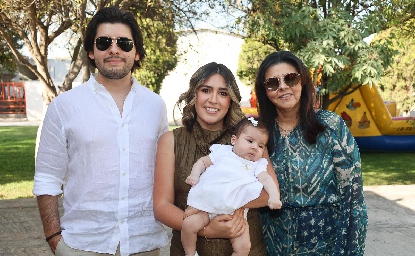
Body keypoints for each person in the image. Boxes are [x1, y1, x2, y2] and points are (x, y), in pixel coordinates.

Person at [33, 6, 168, 256]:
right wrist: (54, 238)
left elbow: (166, 173)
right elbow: (47, 179)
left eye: (124, 43)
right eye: (104, 42)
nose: (114, 49)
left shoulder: (156, 106)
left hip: (145, 243)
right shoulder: (64, 107)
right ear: (91, 52)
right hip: (82, 245)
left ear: (136, 53)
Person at [153, 62, 277, 256]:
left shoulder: (250, 141)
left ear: (231, 100)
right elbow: (161, 207)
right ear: (194, 94)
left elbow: (269, 194)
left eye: (222, 93)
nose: (213, 100)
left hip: (247, 247)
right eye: (206, 90)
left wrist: (223, 200)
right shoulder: (171, 141)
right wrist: (207, 229)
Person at [254, 51, 368, 255]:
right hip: (271, 247)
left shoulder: (330, 126)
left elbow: (353, 199)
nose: (283, 87)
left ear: (303, 81)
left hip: (326, 246)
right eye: (272, 83)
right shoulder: (256, 133)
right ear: (265, 91)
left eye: (290, 78)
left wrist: (352, 250)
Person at [182, 117, 282, 256]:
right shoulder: (222, 152)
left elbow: (267, 179)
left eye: (261, 146)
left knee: (244, 247)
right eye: (249, 141)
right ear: (234, 140)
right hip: (207, 207)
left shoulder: (257, 165)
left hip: (234, 215)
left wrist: (274, 197)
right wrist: (194, 175)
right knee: (188, 225)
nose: (254, 147)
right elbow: (203, 162)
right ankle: (190, 253)